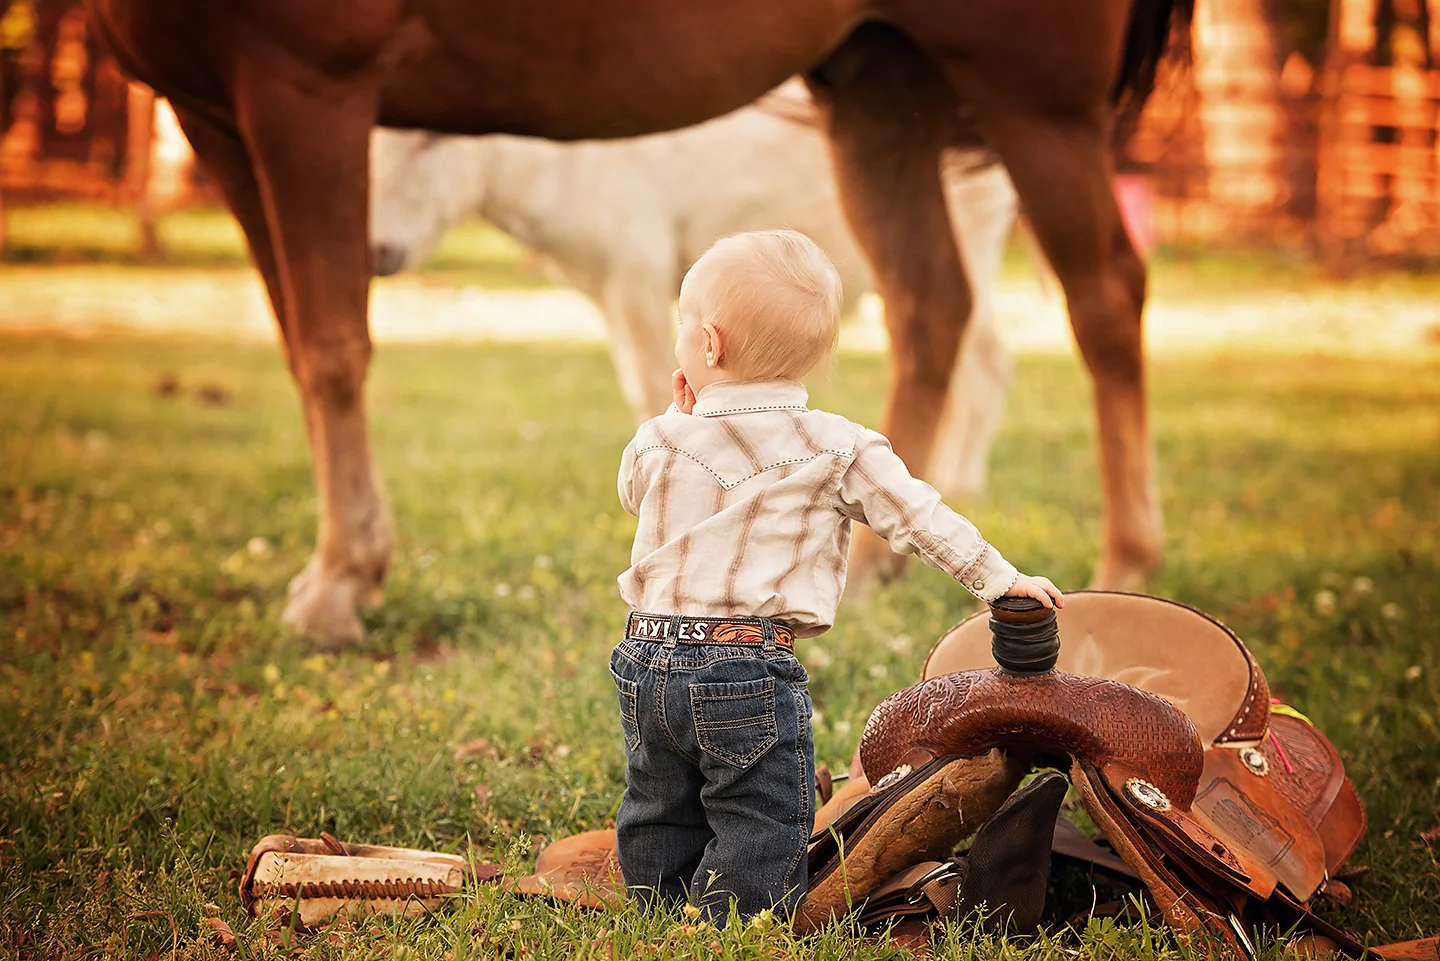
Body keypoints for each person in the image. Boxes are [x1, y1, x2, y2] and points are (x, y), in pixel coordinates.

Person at [610, 229, 1064, 923]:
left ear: (708, 346)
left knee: (657, 798)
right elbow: (921, 519)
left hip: (645, 659)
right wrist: (999, 579)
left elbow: (634, 494)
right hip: (745, 665)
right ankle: (737, 927)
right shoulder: (837, 445)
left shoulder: (659, 436)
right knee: (759, 810)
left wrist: (679, 415)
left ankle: (655, 912)